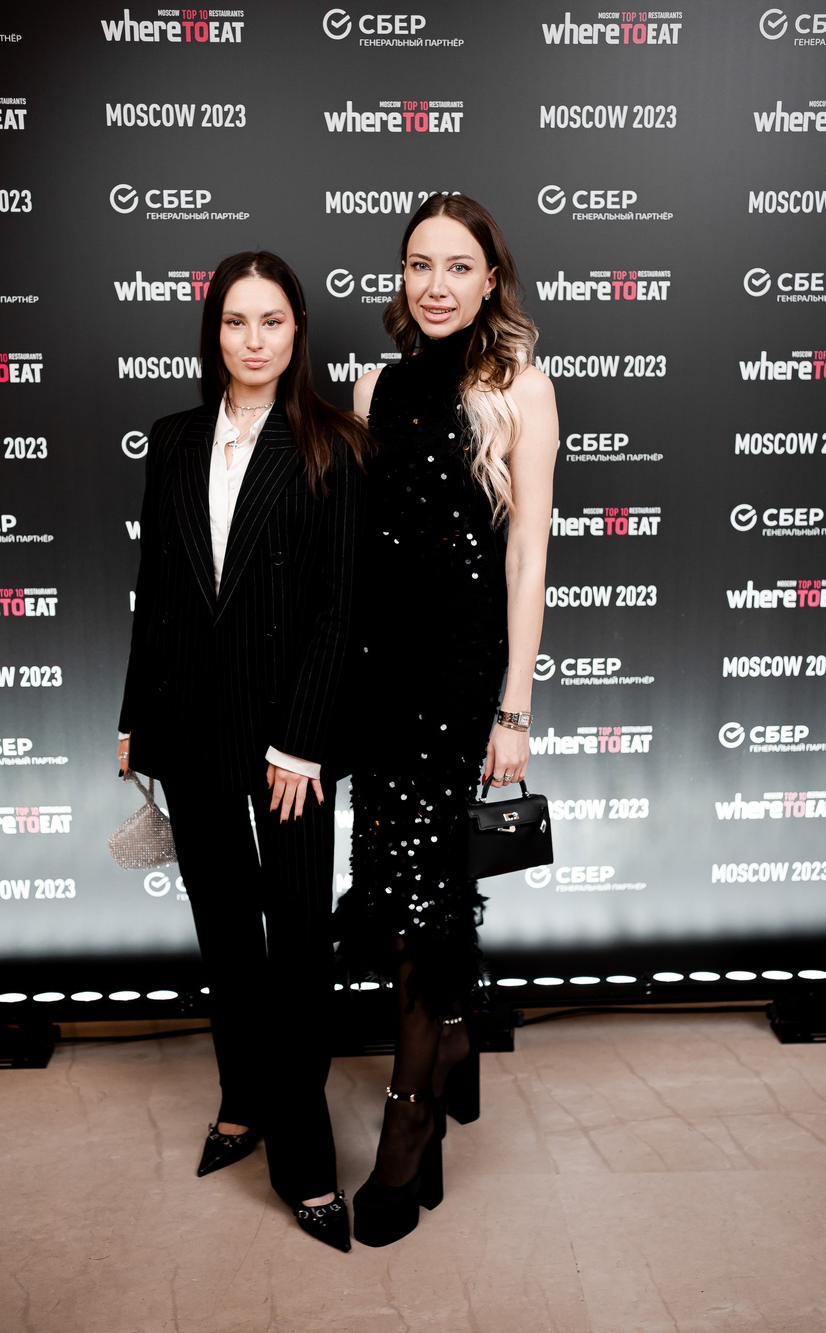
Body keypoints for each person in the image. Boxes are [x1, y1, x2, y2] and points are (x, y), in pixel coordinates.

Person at [117, 251, 370, 1252]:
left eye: (271, 321)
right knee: (224, 933)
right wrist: (136, 717)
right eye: (236, 321)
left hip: (290, 744)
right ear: (213, 331)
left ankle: (305, 1161)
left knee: (298, 946)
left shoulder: (334, 444)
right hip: (189, 726)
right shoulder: (174, 440)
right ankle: (242, 1100)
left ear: (298, 329)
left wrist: (302, 743)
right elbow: (158, 590)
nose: (253, 340)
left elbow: (342, 609)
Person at [334, 195, 558, 1247]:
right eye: (419, 264)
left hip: (460, 683)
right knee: (396, 888)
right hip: (379, 680)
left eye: (458, 266)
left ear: (490, 279)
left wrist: (514, 706)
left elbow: (527, 558)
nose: (435, 284)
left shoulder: (521, 388)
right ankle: (456, 1044)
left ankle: (409, 1121)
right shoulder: (369, 388)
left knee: (432, 900)